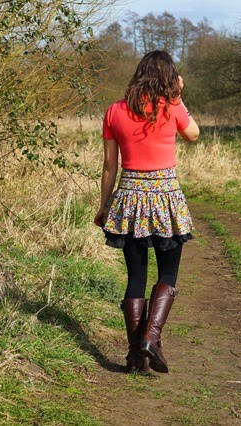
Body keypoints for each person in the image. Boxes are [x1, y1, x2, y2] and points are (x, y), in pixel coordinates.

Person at [93, 50, 200, 374]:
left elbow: (110, 166)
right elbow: (193, 134)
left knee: (136, 276)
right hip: (166, 200)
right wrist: (179, 97)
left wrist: (104, 205)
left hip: (128, 201)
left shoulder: (115, 111)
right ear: (170, 78)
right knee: (168, 273)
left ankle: (136, 356)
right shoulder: (171, 107)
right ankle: (150, 338)